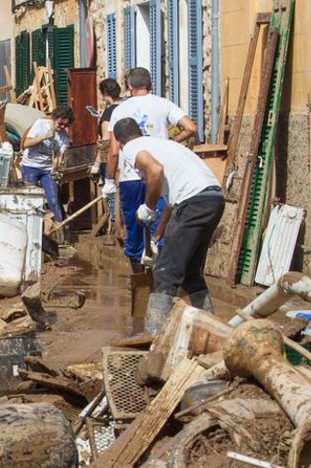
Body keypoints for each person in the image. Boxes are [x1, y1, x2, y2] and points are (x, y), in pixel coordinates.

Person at [112, 118, 225, 334]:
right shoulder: (163, 145)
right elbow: (171, 204)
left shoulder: (132, 148)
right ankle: (213, 331)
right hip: (213, 199)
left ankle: (153, 336)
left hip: (193, 202)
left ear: (120, 142)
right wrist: (157, 238)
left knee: (165, 273)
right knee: (191, 274)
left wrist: (147, 206)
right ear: (140, 131)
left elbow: (155, 171)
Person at [105, 68, 197, 271]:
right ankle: (160, 276)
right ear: (151, 85)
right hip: (159, 176)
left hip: (131, 177)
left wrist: (109, 181)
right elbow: (191, 127)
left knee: (135, 230)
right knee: (158, 229)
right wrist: (172, 141)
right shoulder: (163, 104)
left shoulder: (120, 110)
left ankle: (139, 276)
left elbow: (113, 152)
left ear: (129, 86)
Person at [20, 105, 74, 229]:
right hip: (30, 166)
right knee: (31, 200)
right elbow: (26, 144)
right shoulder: (41, 124)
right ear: (55, 118)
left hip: (47, 170)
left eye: (65, 125)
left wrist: (56, 168)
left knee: (53, 200)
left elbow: (58, 156)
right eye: (60, 123)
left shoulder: (64, 137)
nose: (62, 127)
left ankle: (59, 229)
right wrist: (44, 136)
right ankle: (29, 228)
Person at [95, 78, 123, 227]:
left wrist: (97, 163)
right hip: (126, 156)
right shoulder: (125, 106)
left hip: (111, 158)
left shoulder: (109, 113)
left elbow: (106, 142)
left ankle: (115, 226)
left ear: (105, 93)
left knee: (112, 195)